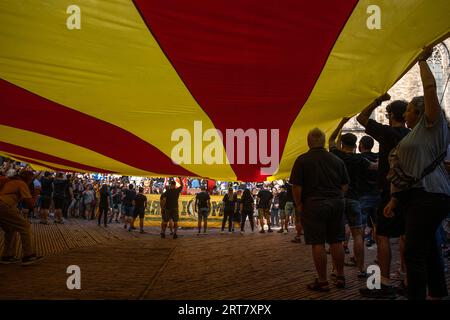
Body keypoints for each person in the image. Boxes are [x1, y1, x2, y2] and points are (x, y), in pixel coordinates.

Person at [384, 47, 450, 300]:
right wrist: (394, 199)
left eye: (409, 108)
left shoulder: (431, 126)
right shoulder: (413, 135)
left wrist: (422, 61)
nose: (405, 112)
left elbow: (431, 90)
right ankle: (437, 292)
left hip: (430, 196)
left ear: (421, 112)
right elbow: (406, 172)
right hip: (418, 196)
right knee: (429, 247)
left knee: (413, 253)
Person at [357, 93, 410, 298]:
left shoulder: (388, 133)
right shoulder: (412, 134)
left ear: (389, 115)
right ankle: (406, 278)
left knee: (383, 236)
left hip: (390, 190)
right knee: (406, 234)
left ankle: (385, 282)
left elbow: (362, 118)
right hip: (410, 191)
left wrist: (377, 101)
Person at [290, 128, 349, 291]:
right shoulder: (337, 160)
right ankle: (340, 276)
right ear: (323, 142)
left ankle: (322, 281)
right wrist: (338, 198)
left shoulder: (302, 160)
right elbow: (345, 185)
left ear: (309, 142)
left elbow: (297, 187)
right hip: (336, 203)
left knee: (317, 243)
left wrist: (299, 204)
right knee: (336, 241)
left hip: (314, 204)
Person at [329, 119, 377, 278]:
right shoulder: (360, 160)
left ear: (342, 144)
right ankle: (361, 269)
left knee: (337, 236)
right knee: (358, 235)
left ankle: (336, 270)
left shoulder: (336, 155)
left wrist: (341, 123)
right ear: (356, 145)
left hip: (338, 199)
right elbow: (374, 167)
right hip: (356, 199)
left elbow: (330, 140)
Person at [0, 170, 44, 265]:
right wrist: (36, 194)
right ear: (28, 179)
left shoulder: (11, 181)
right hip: (4, 206)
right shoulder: (21, 183)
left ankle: (7, 256)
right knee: (25, 226)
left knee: (10, 229)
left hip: (3, 204)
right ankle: (28, 255)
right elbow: (31, 204)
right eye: (31, 180)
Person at [358, 136, 380, 247]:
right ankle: (379, 253)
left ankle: (359, 252)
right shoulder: (378, 157)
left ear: (361, 145)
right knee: (378, 225)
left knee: (360, 225)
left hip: (363, 195)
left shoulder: (358, 159)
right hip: (377, 194)